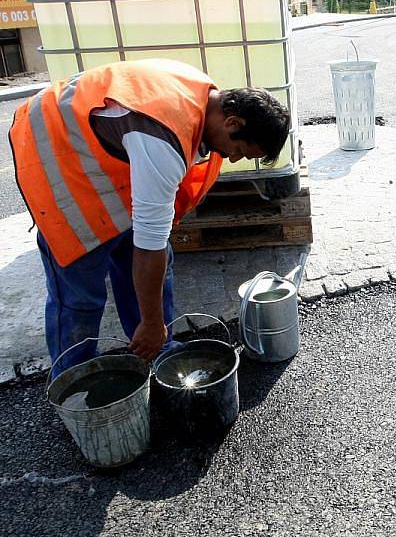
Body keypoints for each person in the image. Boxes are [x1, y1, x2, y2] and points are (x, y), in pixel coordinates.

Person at [10, 58, 290, 374]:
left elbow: (149, 244)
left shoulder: (205, 98)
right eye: (239, 150)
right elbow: (150, 245)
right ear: (233, 123)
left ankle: (155, 349)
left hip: (106, 162)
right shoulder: (164, 137)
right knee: (80, 292)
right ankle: (74, 381)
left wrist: (154, 323)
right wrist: (154, 321)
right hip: (59, 161)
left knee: (145, 263)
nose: (231, 157)